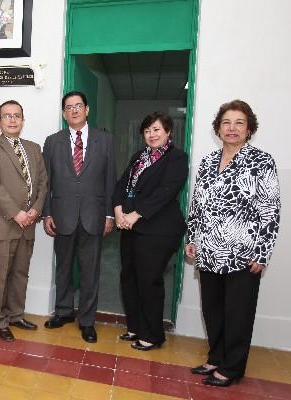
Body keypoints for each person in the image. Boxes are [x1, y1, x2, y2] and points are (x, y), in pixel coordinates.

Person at [185, 100, 280, 387]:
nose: (232, 128)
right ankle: (216, 357)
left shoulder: (262, 162)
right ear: (218, 128)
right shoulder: (208, 162)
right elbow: (197, 204)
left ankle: (232, 367)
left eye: (239, 123)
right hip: (209, 251)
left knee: (238, 312)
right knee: (212, 309)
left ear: (249, 128)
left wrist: (262, 254)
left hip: (244, 253)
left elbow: (270, 210)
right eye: (227, 122)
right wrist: (192, 238)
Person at [42, 91, 116, 343]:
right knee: (63, 268)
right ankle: (63, 312)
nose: (73, 110)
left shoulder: (104, 140)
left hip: (93, 216)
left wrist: (109, 215)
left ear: (87, 109)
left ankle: (87, 320)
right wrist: (47, 213)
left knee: (89, 271)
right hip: (61, 216)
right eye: (68, 107)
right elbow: (46, 182)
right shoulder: (52, 141)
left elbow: (109, 180)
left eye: (78, 106)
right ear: (63, 113)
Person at [112, 112, 188, 351]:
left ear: (168, 132)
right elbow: (121, 185)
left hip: (158, 230)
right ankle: (135, 327)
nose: (152, 134)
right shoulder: (139, 157)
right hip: (130, 227)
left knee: (149, 281)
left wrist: (135, 214)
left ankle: (153, 334)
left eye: (157, 130)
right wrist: (117, 212)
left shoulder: (176, 158)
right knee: (129, 278)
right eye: (147, 131)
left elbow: (165, 192)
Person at [0, 100, 48, 342]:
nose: (12, 120)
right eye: (6, 116)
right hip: (4, 222)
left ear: (22, 120)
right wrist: (17, 213)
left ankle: (16, 314)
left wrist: (36, 210)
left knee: (20, 273)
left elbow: (42, 183)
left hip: (28, 224)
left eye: (16, 115)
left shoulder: (33, 147)